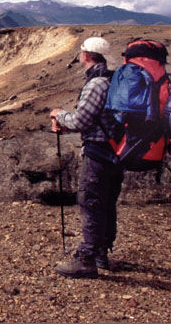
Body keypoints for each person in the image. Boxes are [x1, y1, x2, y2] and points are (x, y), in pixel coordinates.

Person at [49, 36, 124, 279]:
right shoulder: (114, 81)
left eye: (81, 52)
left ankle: (87, 259)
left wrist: (60, 116)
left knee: (90, 201)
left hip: (99, 153)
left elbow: (82, 121)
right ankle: (102, 252)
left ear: (87, 55)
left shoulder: (96, 84)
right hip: (118, 151)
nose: (79, 55)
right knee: (105, 201)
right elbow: (101, 119)